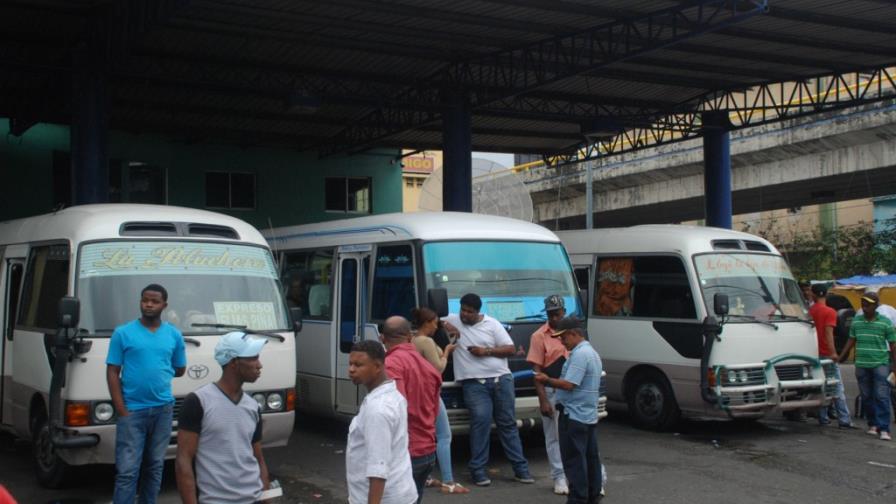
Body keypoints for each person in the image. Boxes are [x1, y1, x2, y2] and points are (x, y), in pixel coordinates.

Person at [106, 284, 186, 504]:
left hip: (163, 410)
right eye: (145, 300)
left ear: (164, 305)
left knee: (154, 466)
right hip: (132, 410)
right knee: (127, 470)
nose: (149, 305)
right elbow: (113, 371)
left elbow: (180, 368)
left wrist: (159, 368)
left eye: (154, 301)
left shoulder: (173, 334)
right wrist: (121, 409)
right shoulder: (123, 333)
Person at [443, 293, 533, 486]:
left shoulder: (492, 324)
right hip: (474, 383)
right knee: (481, 422)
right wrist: (444, 326)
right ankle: (478, 471)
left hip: (501, 380)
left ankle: (521, 470)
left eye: (470, 312)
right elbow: (428, 319)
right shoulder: (452, 319)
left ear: (478, 312)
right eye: (463, 310)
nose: (465, 315)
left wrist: (486, 351)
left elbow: (510, 348)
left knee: (507, 424)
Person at [175, 331, 271, 503]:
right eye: (253, 358)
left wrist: (266, 498)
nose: (260, 365)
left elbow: (258, 459)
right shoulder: (198, 401)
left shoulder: (252, 406)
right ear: (234, 362)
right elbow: (184, 461)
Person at [535, 317, 603, 504]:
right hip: (586, 415)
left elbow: (569, 384)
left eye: (563, 337)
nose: (561, 342)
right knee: (590, 460)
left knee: (574, 461)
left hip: (574, 415)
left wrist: (546, 380)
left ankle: (578, 499)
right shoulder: (592, 353)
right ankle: (592, 496)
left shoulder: (580, 355)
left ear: (574, 334)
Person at [346, 340, 418, 504]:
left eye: (358, 365)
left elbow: (378, 467)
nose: (351, 369)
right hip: (401, 492)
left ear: (377, 366)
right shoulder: (393, 394)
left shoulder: (378, 409)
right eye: (350, 363)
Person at [381, 316, 443, 504]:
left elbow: (395, 410)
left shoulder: (391, 364)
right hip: (427, 449)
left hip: (406, 451)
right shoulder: (428, 366)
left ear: (382, 338)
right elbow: (434, 409)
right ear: (409, 336)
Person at [409, 307, 468, 495]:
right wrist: (447, 352)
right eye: (435, 322)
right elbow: (438, 368)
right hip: (431, 393)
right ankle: (448, 480)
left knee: (423, 435)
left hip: (417, 393)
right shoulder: (425, 341)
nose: (437, 325)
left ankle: (424, 477)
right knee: (444, 435)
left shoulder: (412, 339)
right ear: (427, 323)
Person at [837, 292, 896, 441]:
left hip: (880, 363)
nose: (865, 306)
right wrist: (841, 357)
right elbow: (851, 341)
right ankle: (873, 424)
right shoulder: (857, 322)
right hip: (862, 364)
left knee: (881, 396)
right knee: (867, 396)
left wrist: (894, 365)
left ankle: (884, 429)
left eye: (868, 304)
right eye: (863, 303)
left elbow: (893, 345)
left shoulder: (885, 322)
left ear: (876, 305)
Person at [526, 295, 570, 495]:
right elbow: (536, 371)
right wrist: (543, 399)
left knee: (575, 435)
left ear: (564, 312)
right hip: (552, 391)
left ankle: (576, 474)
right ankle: (559, 476)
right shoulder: (538, 336)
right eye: (551, 315)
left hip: (572, 390)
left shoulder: (572, 332)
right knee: (553, 437)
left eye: (557, 314)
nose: (554, 319)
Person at [808, 284, 854, 428]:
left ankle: (823, 418)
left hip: (813, 353)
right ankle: (844, 419)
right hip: (826, 354)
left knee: (822, 386)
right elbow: (829, 335)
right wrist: (833, 353)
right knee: (837, 387)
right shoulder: (829, 312)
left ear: (814, 295)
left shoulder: (809, 311)